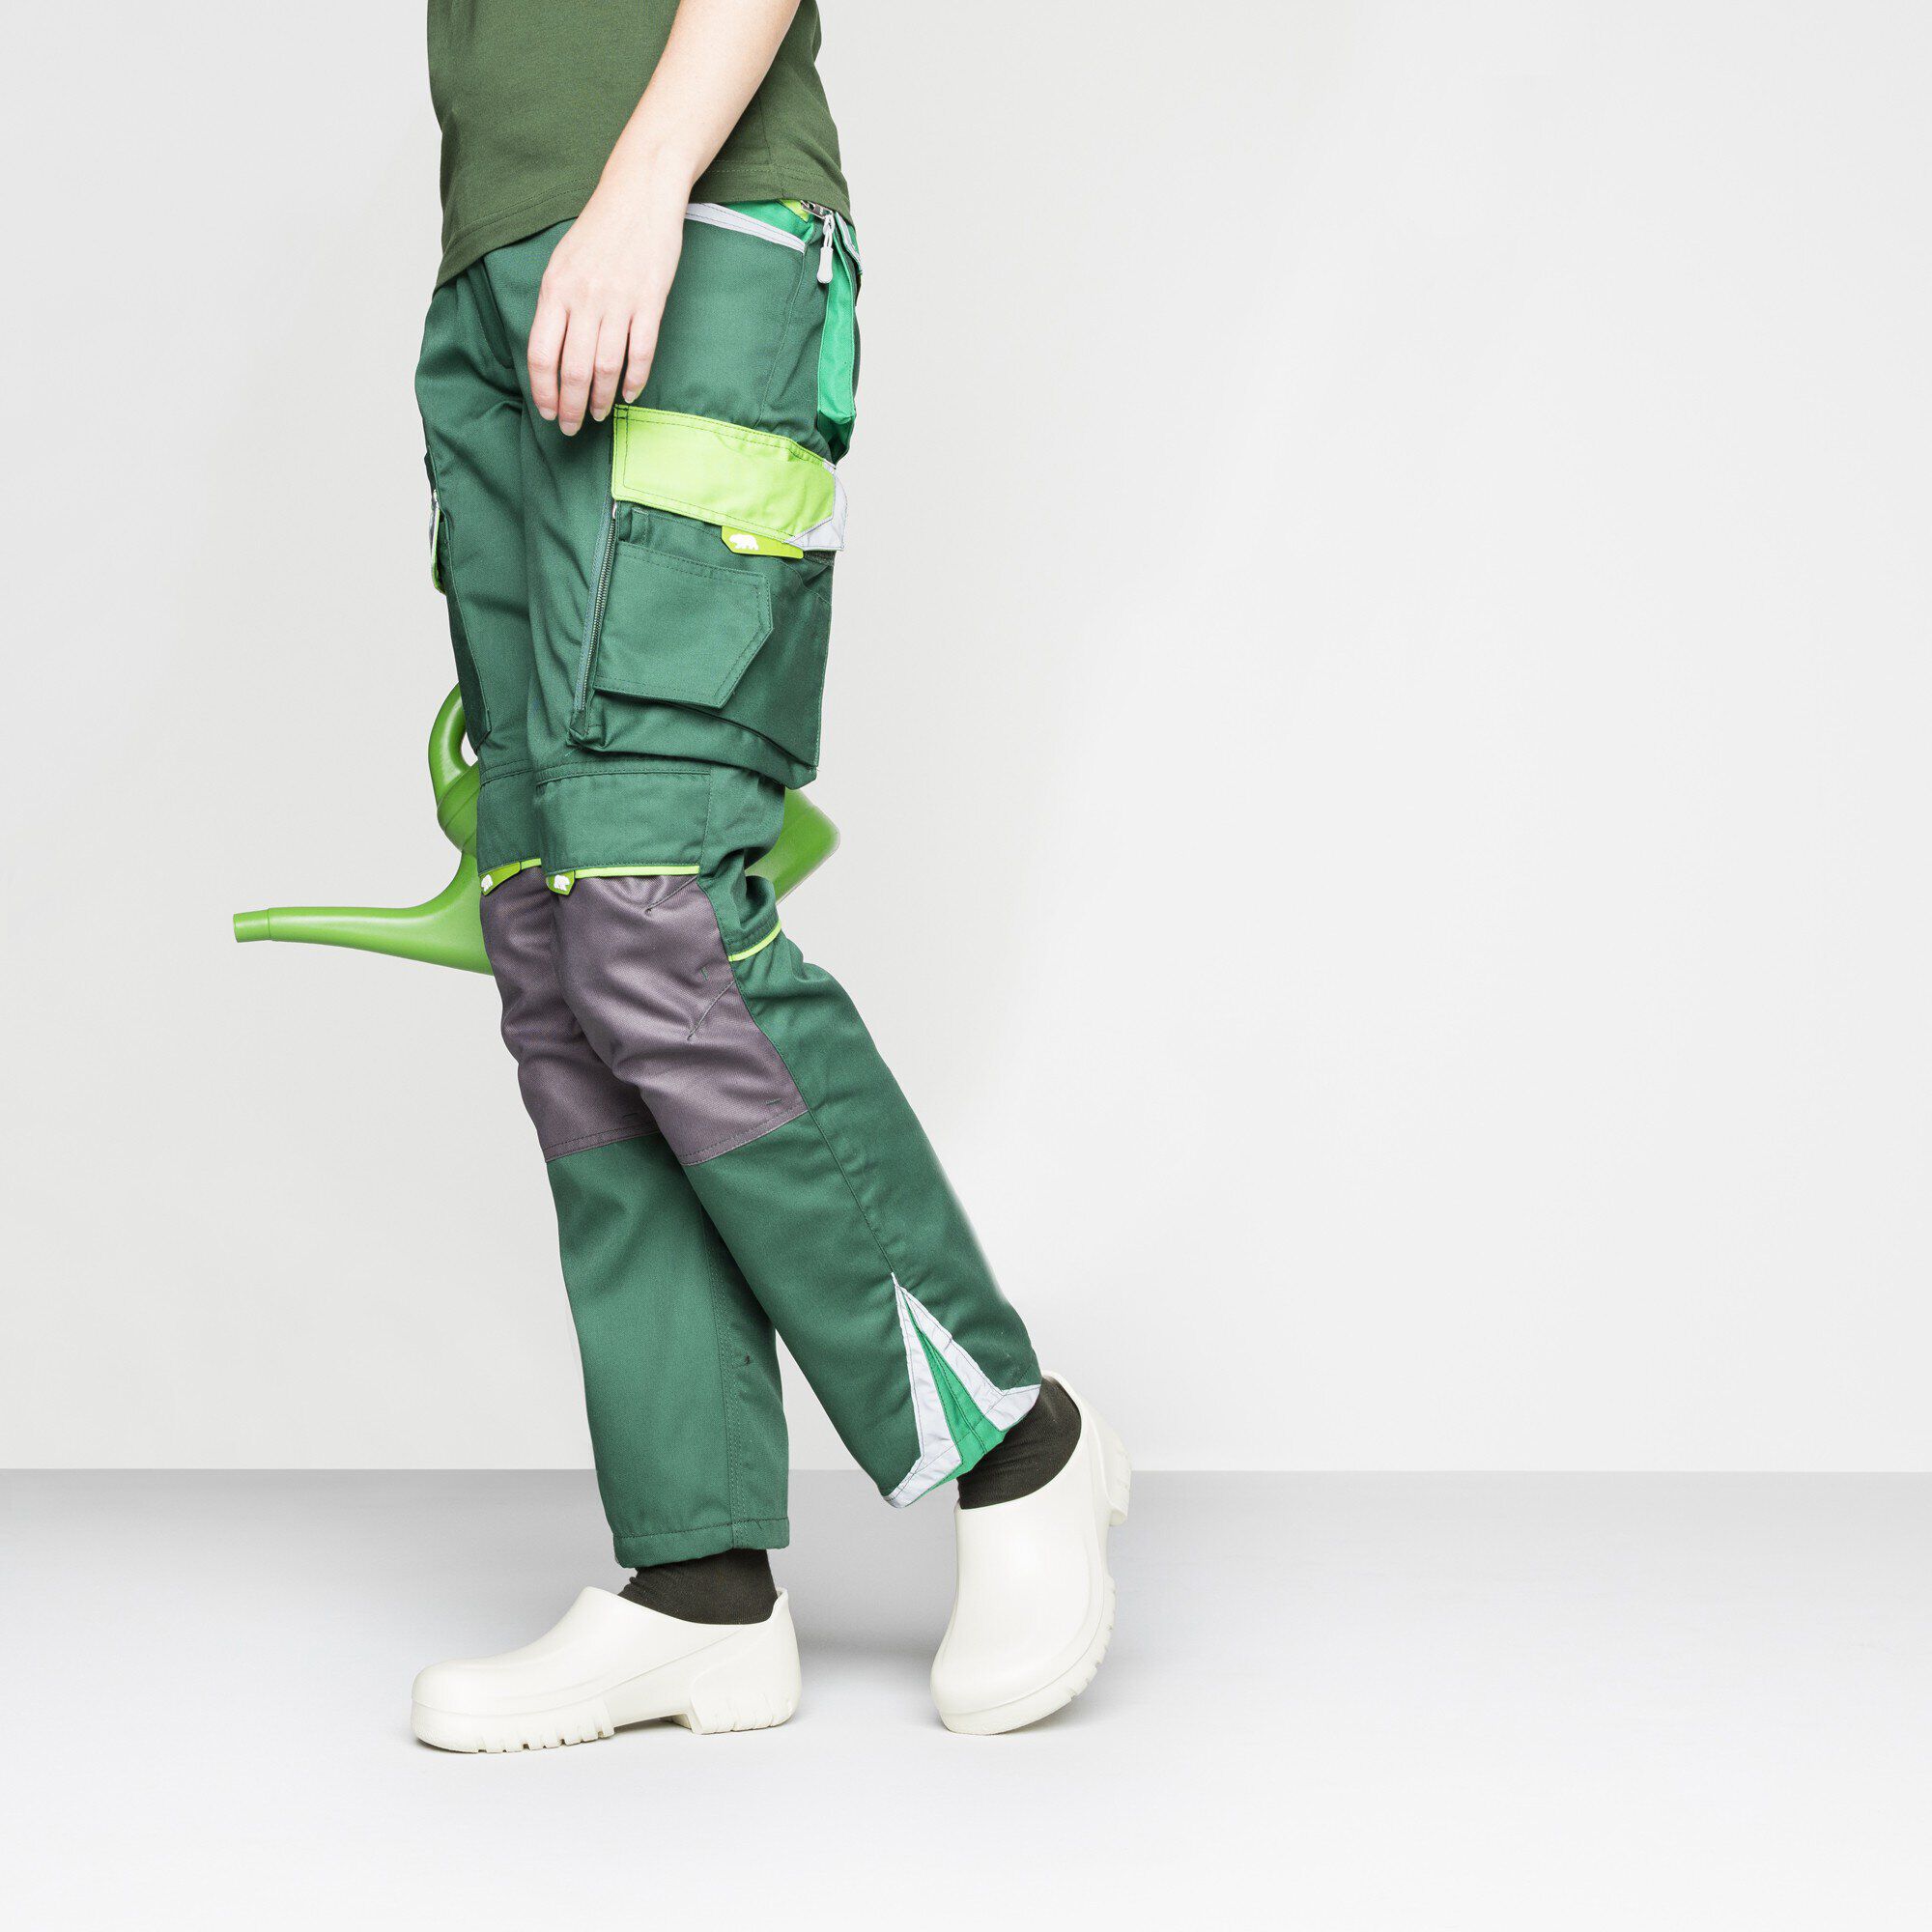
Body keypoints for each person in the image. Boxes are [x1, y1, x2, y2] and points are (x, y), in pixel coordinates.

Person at [406, 0, 1127, 1747]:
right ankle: (698, 1585)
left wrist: (647, 179)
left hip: (691, 231)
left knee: (652, 919)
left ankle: (1015, 1445)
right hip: (495, 270)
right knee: (554, 945)